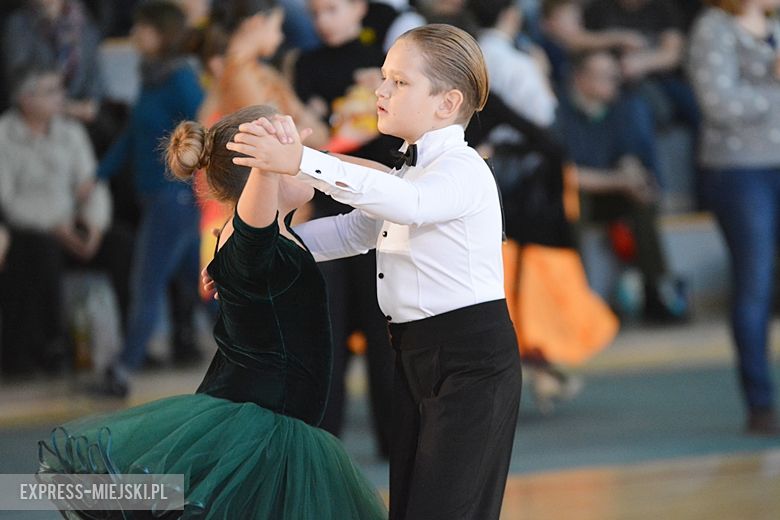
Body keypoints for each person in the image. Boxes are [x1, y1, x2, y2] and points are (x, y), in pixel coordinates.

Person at [224, 24, 523, 520]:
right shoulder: (408, 173)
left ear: (446, 104)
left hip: (472, 362)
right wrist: (251, 257)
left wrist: (303, 160)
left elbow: (407, 204)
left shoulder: (464, 169)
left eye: (399, 82)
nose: (378, 91)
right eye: (383, 78)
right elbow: (349, 234)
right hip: (414, 355)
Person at [37, 104, 387, 519]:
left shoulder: (279, 238)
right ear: (265, 171)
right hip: (260, 434)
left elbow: (383, 187)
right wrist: (275, 158)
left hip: (277, 426)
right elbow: (260, 206)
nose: (307, 167)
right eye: (296, 161)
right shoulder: (254, 243)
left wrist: (313, 159)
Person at [94, 1, 205, 397]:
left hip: (172, 199)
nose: (136, 35)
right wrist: (99, 175)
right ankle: (262, 352)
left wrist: (188, 182)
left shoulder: (178, 78)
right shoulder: (151, 76)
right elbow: (133, 136)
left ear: (162, 34)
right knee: (204, 287)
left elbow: (203, 129)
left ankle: (122, 371)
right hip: (159, 198)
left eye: (143, 28)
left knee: (148, 283)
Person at [0, 64, 132, 377]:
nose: (61, 98)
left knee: (123, 243)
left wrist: (95, 227)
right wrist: (55, 227)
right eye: (50, 91)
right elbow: (6, 201)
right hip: (31, 230)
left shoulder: (71, 132)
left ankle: (130, 345)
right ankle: (50, 346)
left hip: (74, 225)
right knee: (40, 251)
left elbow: (92, 184)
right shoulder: (4, 135)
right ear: (25, 98)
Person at [687, 0, 780, 436]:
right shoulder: (713, 28)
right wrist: (775, 84)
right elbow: (718, 104)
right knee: (754, 282)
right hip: (739, 169)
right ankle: (760, 402)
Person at [555, 50, 689, 323]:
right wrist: (620, 180)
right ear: (581, 78)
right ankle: (575, 299)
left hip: (609, 191)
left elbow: (629, 155)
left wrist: (635, 179)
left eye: (615, 77)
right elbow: (567, 175)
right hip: (573, 197)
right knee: (573, 201)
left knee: (643, 199)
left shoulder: (621, 107)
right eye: (605, 77)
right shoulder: (557, 112)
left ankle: (657, 291)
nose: (613, 83)